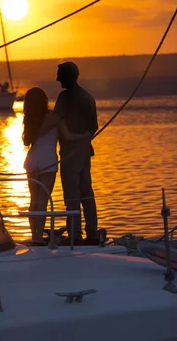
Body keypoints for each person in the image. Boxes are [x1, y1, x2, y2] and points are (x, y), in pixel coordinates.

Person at [22, 86, 91, 244]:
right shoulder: (54, 116)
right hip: (48, 161)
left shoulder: (29, 119)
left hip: (32, 160)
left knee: (34, 200)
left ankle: (35, 236)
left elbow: (27, 141)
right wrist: (85, 136)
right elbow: (69, 136)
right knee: (43, 201)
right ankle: (39, 238)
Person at [54, 61, 99, 244]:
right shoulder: (88, 97)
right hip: (84, 154)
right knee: (86, 193)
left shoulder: (64, 98)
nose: (57, 79)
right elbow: (93, 128)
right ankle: (92, 233)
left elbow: (56, 121)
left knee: (72, 196)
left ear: (68, 77)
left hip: (70, 156)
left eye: (59, 75)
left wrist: (71, 137)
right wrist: (82, 139)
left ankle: (75, 235)